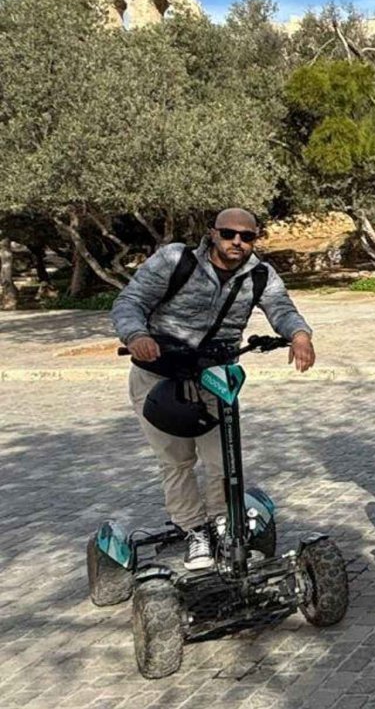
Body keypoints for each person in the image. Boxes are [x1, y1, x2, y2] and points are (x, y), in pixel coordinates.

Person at [111, 208, 316, 570]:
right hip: (159, 374)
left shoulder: (260, 274)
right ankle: (193, 530)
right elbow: (130, 302)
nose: (237, 241)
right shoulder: (176, 260)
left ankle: (225, 524)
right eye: (229, 234)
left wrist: (299, 335)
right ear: (213, 233)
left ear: (255, 239)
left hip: (215, 375)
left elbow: (281, 307)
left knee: (224, 459)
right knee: (176, 460)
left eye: (247, 236)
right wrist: (137, 334)